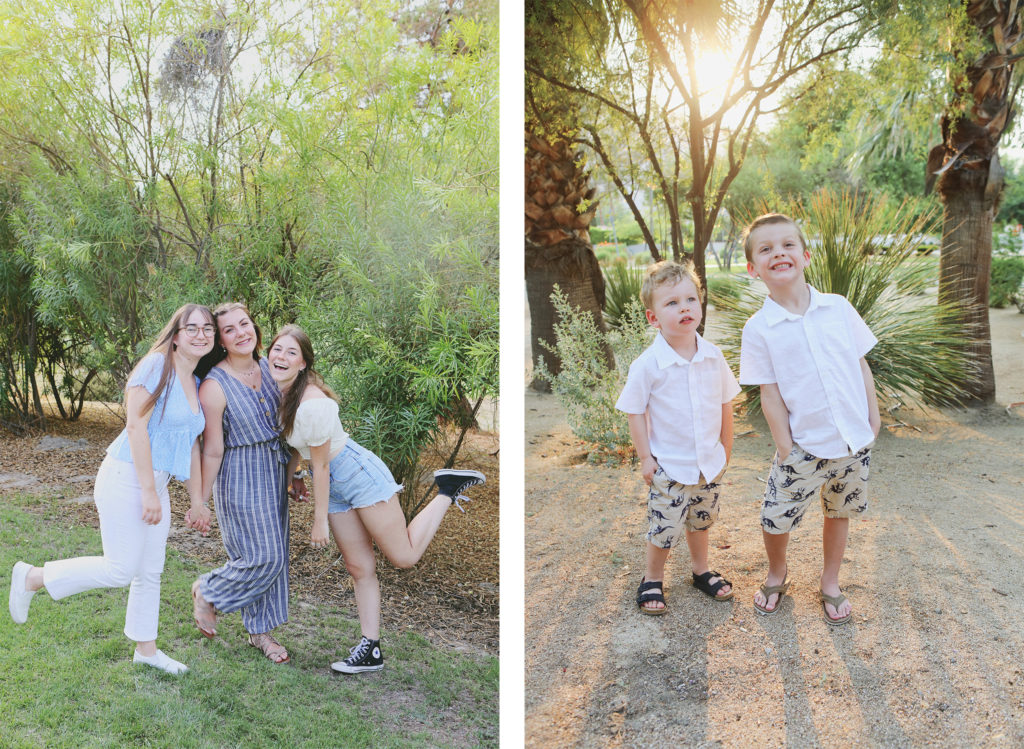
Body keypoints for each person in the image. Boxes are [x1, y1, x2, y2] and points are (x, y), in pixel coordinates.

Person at [8, 304, 216, 674]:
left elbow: (190, 446)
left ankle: (146, 651)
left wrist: (196, 500)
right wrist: (148, 492)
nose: (201, 334)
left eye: (208, 328)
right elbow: (136, 428)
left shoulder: (195, 383)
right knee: (120, 568)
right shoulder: (156, 367)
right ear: (176, 335)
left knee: (150, 570)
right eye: (192, 328)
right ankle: (32, 577)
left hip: (157, 482)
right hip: (127, 477)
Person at [266, 324, 485, 674]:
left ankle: (447, 489)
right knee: (359, 567)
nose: (282, 357)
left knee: (404, 556)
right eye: (278, 349)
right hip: (334, 485)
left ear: (304, 363)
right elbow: (296, 445)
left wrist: (318, 519)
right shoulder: (279, 392)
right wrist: (294, 476)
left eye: (292, 352)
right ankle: (371, 649)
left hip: (356, 474)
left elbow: (320, 466)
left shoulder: (313, 403)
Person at [738, 213, 881, 625]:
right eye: (765, 249)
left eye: (787, 245)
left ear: (806, 255)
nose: (778, 253)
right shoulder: (759, 327)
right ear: (753, 268)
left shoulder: (837, 308)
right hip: (802, 446)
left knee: (839, 512)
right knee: (775, 514)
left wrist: (872, 421)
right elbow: (769, 392)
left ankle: (831, 581)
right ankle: (777, 573)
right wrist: (786, 446)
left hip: (853, 441)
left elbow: (860, 365)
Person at [615, 261, 741, 615]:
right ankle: (652, 578)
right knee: (664, 527)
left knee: (701, 521)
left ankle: (701, 570)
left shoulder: (714, 357)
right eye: (672, 303)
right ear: (653, 318)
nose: (684, 307)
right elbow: (634, 410)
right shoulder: (647, 365)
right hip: (669, 466)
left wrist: (726, 449)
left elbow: (725, 402)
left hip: (709, 464)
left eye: (691, 299)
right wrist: (645, 458)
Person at [187, 302, 293, 663]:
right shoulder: (215, 386)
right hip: (239, 476)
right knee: (264, 556)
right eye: (229, 329)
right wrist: (200, 500)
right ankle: (209, 590)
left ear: (255, 327)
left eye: (244, 324)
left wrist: (294, 476)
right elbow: (212, 450)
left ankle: (260, 634)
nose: (241, 333)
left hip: (274, 471)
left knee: (275, 555)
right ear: (221, 340)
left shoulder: (269, 366)